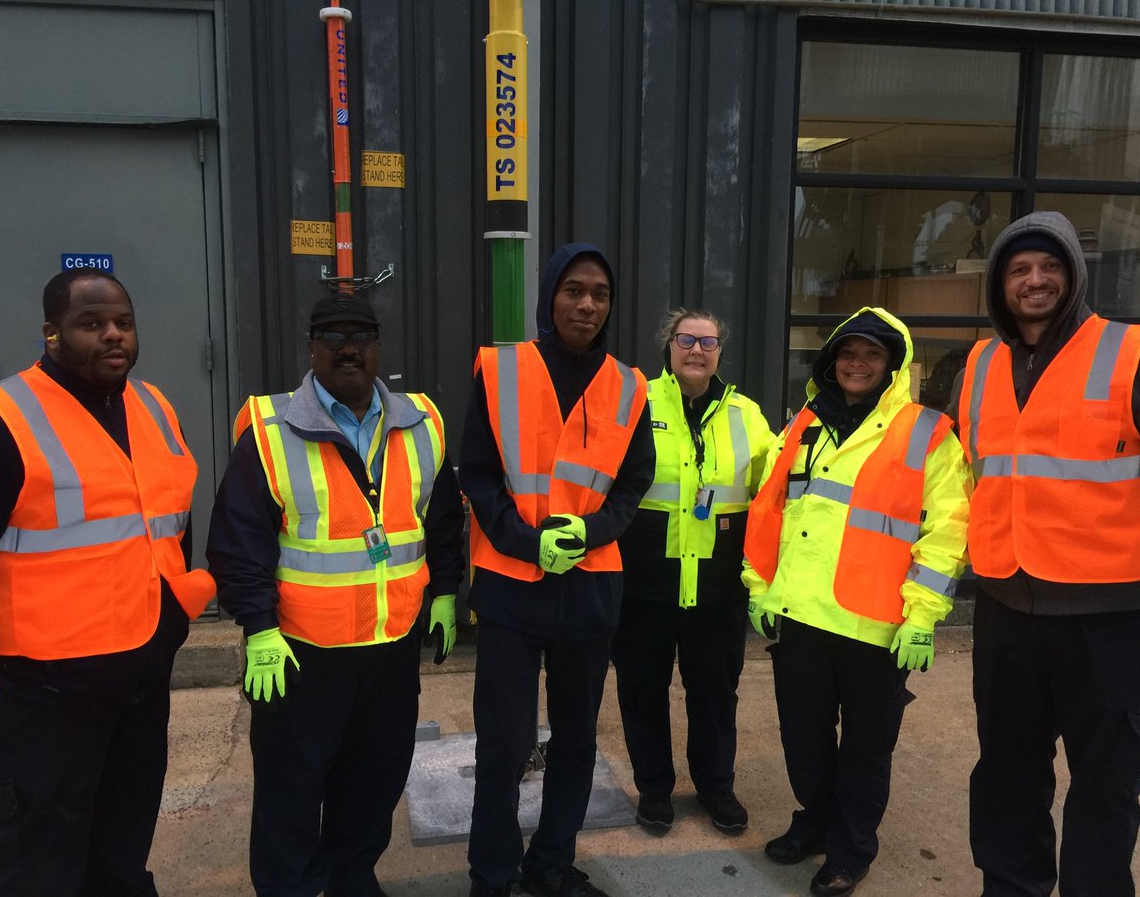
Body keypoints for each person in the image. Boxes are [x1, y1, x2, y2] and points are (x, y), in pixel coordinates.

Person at [0, 269, 216, 895]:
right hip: (37, 701)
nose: (113, 335)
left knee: (119, 857)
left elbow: (168, 527)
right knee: (37, 866)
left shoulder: (153, 406)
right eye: (91, 324)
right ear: (51, 334)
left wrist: (171, 623)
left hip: (136, 689)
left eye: (122, 322)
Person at [206, 293, 464, 896]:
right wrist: (259, 628)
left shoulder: (421, 423)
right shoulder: (270, 432)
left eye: (361, 337)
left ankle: (352, 878)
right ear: (312, 348)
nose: (348, 349)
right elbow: (237, 542)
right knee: (290, 788)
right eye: (332, 337)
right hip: (301, 654)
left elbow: (444, 521)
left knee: (374, 778)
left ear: (378, 348)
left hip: (390, 647)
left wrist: (448, 592)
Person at [742, 306, 971, 897]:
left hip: (878, 626)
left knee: (866, 752)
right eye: (848, 353)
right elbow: (770, 512)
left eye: (871, 354)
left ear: (892, 365)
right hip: (800, 616)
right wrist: (760, 586)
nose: (857, 363)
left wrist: (922, 618)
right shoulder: (805, 426)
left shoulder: (928, 433)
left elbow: (946, 533)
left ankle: (849, 851)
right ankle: (814, 825)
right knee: (804, 741)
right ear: (831, 361)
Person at [958, 211, 1140, 896]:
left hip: (1111, 615)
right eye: (1018, 269)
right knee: (1007, 775)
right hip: (1006, 605)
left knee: (1104, 786)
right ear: (1000, 285)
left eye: (1049, 267)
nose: (1034, 280)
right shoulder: (978, 364)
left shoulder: (1131, 352)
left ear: (1073, 275)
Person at [461, 243, 654, 897]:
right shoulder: (500, 369)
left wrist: (592, 530)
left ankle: (550, 864)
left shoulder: (630, 385)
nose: (588, 304)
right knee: (505, 748)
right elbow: (479, 475)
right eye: (575, 289)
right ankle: (491, 876)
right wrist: (525, 541)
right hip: (513, 591)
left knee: (575, 743)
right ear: (550, 296)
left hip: (591, 590)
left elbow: (634, 482)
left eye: (599, 293)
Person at [611, 308, 773, 835]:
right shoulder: (635, 405)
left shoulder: (747, 414)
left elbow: (771, 498)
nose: (696, 350)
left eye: (708, 341)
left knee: (713, 692)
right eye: (686, 339)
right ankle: (654, 790)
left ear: (721, 350)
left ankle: (715, 788)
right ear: (669, 346)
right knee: (642, 691)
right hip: (643, 586)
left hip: (717, 587)